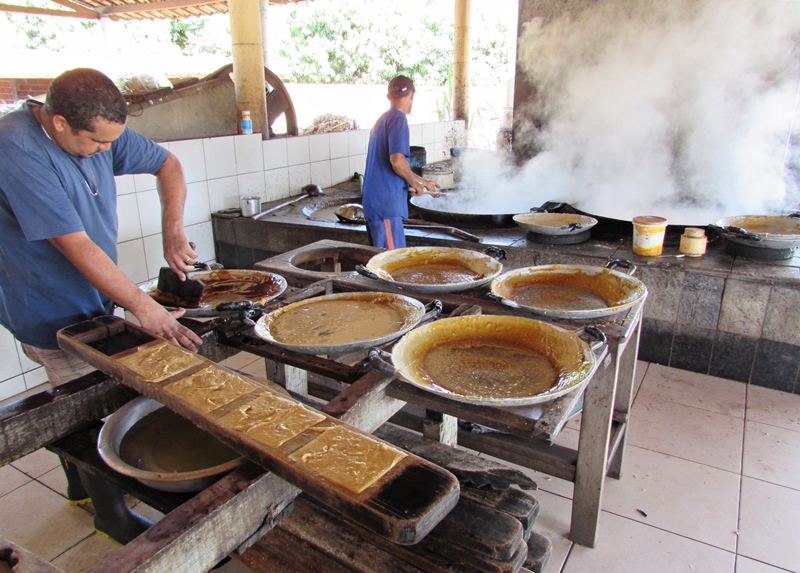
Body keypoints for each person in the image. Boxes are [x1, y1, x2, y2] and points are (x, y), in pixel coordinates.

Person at [0, 67, 204, 543]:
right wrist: (144, 308)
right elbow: (73, 243)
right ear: (58, 124)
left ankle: (79, 485)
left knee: (81, 400)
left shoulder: (99, 131)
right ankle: (109, 514)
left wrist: (172, 227)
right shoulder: (16, 149)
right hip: (43, 305)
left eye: (113, 141)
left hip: (93, 299)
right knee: (87, 407)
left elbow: (168, 164)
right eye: (97, 142)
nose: (107, 151)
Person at [361, 75, 440, 249]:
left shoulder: (383, 119)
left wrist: (423, 182)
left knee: (380, 262)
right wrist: (415, 184)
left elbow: (398, 164)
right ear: (412, 94)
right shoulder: (398, 119)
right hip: (386, 206)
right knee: (390, 266)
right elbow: (397, 162)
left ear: (389, 97)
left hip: (376, 203)